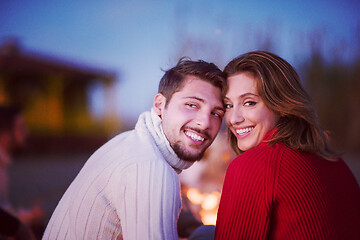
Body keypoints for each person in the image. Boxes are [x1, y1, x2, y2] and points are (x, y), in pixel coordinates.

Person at [43, 57, 226, 239]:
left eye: (216, 113)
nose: (205, 123)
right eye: (192, 105)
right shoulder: (152, 169)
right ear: (160, 105)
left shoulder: (127, 141)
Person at [215, 51, 360, 239]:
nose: (234, 119)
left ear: (281, 104)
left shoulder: (252, 167)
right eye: (228, 105)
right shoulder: (334, 160)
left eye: (249, 103)